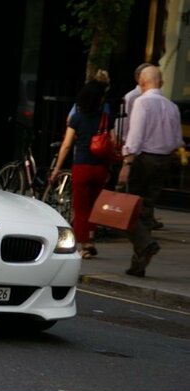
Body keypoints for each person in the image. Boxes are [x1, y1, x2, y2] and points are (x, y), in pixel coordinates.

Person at [118, 65, 183, 277]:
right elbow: (176, 140)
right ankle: (138, 264)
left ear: (142, 83)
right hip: (164, 161)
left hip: (143, 159)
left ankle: (145, 244)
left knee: (124, 208)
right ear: (161, 82)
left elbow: (135, 136)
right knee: (146, 209)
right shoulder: (172, 106)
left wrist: (127, 162)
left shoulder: (142, 103)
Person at [50, 80, 115, 259]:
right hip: (100, 168)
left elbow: (66, 145)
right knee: (94, 207)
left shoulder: (76, 118)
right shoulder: (106, 118)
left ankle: (84, 244)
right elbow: (113, 142)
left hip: (81, 166)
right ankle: (91, 240)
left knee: (80, 208)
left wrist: (57, 168)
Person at [119, 62, 164, 230]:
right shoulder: (133, 97)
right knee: (137, 189)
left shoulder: (156, 98)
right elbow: (128, 124)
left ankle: (145, 219)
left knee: (146, 190)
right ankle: (133, 221)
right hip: (137, 146)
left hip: (145, 147)